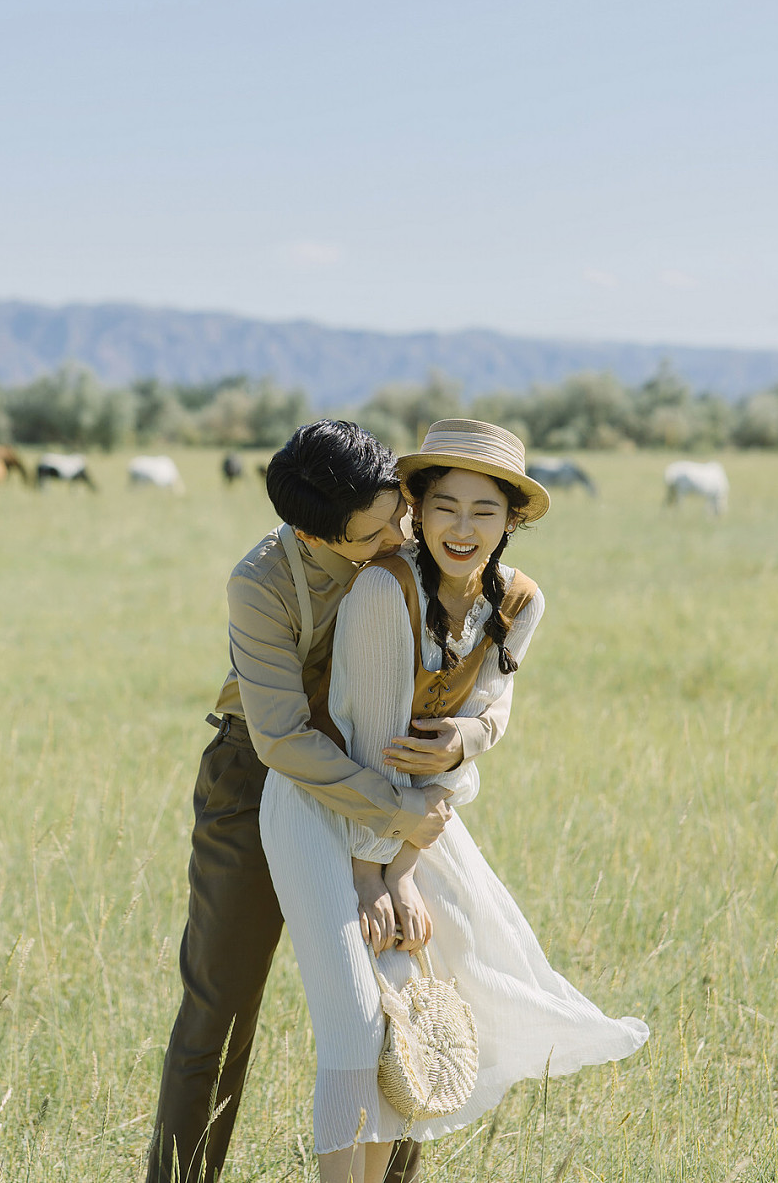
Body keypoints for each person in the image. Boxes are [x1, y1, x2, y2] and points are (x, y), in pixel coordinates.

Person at [259, 419, 650, 1183]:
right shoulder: (383, 589)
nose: (462, 528)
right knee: (353, 1027)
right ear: (417, 508)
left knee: (401, 1019)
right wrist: (379, 875)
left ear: (512, 520)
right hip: (324, 810)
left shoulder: (520, 603)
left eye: (484, 510)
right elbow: (371, 744)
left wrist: (460, 753)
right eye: (445, 507)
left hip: (416, 825)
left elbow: (486, 715)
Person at [146, 421, 465, 1183]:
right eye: (374, 534)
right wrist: (392, 813)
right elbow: (282, 739)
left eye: (399, 512)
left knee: (401, 1002)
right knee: (218, 1011)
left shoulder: (415, 540)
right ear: (312, 535)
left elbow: (489, 664)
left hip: (389, 773)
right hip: (258, 779)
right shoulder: (259, 581)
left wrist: (463, 742)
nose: (400, 534)